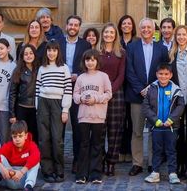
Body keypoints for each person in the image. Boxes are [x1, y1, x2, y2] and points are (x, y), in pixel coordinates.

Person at [126, 17, 168, 176]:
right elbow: (129, 71)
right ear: (140, 29)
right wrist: (140, 89)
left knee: (154, 131)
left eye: (149, 27)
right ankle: (137, 163)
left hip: (155, 96)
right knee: (136, 131)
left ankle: (152, 162)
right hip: (137, 96)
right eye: (143, 27)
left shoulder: (161, 48)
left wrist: (152, 88)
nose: (146, 30)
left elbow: (165, 71)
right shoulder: (132, 47)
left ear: (154, 29)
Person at [34, 42, 72, 183]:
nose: (51, 53)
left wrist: (65, 109)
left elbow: (68, 89)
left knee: (57, 139)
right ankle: (47, 171)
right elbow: (37, 87)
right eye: (49, 50)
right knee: (44, 138)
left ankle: (59, 170)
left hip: (58, 103)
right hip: (43, 102)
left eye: (54, 50)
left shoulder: (64, 68)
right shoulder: (42, 68)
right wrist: (37, 107)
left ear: (58, 52)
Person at [142, 63, 184, 185]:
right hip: (157, 126)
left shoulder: (176, 89)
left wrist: (172, 119)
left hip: (171, 127)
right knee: (156, 150)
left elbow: (180, 106)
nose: (163, 76)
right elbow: (145, 106)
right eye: (160, 74)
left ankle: (172, 173)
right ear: (156, 74)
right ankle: (155, 172)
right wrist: (155, 120)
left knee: (171, 150)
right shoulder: (151, 89)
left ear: (171, 75)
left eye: (166, 74)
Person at [74, 50, 113, 184]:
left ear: (97, 61)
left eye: (93, 60)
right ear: (84, 61)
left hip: (98, 116)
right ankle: (81, 174)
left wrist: (96, 99)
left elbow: (108, 94)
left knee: (97, 145)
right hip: (84, 116)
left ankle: (95, 174)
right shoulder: (81, 78)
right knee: (84, 144)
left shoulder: (103, 76)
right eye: (87, 60)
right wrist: (82, 98)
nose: (90, 62)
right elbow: (75, 95)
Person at [96, 23, 126, 177]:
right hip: (98, 94)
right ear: (102, 34)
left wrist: (110, 91)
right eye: (106, 32)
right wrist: (102, 92)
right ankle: (100, 160)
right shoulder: (96, 52)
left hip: (116, 94)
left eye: (112, 32)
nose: (108, 35)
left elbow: (121, 75)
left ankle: (111, 162)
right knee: (99, 130)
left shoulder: (121, 53)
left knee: (115, 130)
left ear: (115, 35)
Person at [169, 25, 187, 179]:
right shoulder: (170, 54)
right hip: (176, 100)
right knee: (178, 133)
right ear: (175, 37)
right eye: (178, 35)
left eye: (184, 34)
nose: (181, 37)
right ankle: (179, 163)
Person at [0, 120, 40, 189]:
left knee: (36, 162)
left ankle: (29, 187)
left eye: (20, 136)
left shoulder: (31, 145)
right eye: (15, 137)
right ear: (12, 136)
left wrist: (21, 172)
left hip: (24, 178)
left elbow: (36, 156)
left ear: (26, 136)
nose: (17, 139)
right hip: (10, 176)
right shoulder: (9, 146)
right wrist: (2, 168)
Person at [8, 45, 39, 146]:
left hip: (36, 109)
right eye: (26, 54)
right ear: (22, 56)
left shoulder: (40, 69)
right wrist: (12, 114)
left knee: (35, 136)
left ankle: (34, 155)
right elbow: (12, 93)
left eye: (31, 53)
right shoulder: (18, 71)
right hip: (21, 108)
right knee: (21, 136)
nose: (28, 56)